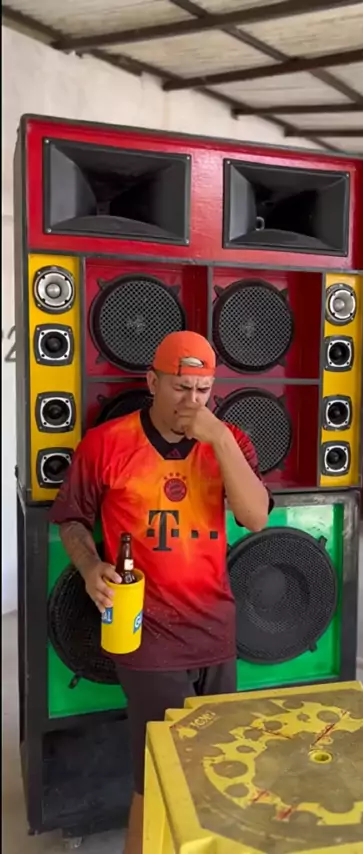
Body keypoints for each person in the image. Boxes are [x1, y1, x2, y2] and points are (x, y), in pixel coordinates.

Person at [49, 330, 271, 854]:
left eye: (203, 390)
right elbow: (72, 519)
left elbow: (255, 517)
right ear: (152, 381)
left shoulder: (230, 442)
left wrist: (218, 439)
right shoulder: (107, 444)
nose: (192, 401)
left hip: (214, 628)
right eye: (180, 387)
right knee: (158, 774)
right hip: (146, 630)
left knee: (218, 765)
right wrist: (90, 566)